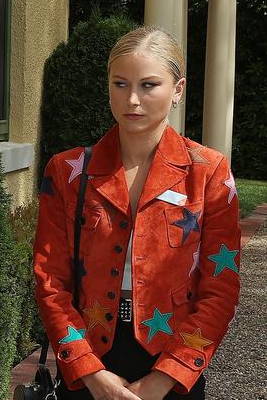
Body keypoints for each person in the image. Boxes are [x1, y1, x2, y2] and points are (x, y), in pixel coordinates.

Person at [34, 26, 241, 400]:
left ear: (177, 90)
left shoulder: (208, 172)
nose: (132, 99)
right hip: (89, 356)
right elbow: (50, 281)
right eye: (120, 84)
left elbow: (220, 289)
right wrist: (90, 372)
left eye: (148, 85)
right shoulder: (67, 171)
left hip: (172, 358)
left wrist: (165, 378)